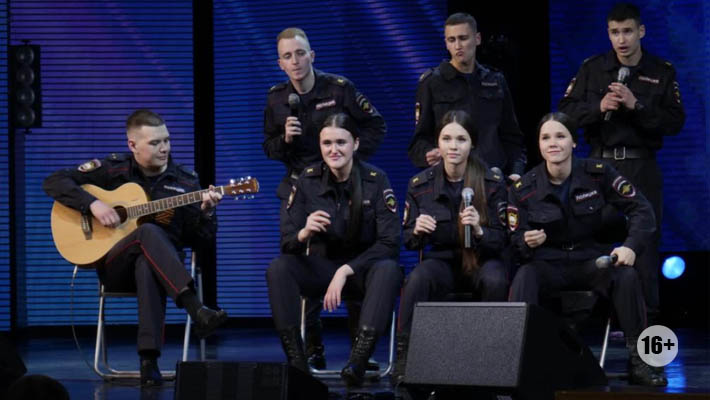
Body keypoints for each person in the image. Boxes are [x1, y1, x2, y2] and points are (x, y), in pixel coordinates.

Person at [43, 110, 228, 386]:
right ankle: (195, 307)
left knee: (147, 263)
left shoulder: (186, 181)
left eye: (167, 140)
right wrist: (92, 204)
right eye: (155, 143)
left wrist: (207, 212)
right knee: (147, 232)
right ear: (132, 145)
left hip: (165, 274)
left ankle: (148, 363)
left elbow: (201, 241)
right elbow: (54, 181)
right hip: (116, 267)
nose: (164, 148)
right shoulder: (114, 169)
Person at [507, 112, 666, 386]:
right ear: (539, 145)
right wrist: (525, 240)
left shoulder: (598, 173)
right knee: (524, 276)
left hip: (591, 261)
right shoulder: (524, 187)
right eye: (546, 138)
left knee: (625, 276)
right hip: (548, 264)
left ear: (573, 142)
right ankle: (514, 362)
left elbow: (642, 210)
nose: (553, 143)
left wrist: (630, 247)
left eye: (560, 136)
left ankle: (642, 361)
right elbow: (513, 237)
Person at [263, 27, 387, 369]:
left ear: (312, 55)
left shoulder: (339, 89)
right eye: (287, 56)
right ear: (280, 63)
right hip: (301, 188)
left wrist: (348, 163)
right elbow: (269, 147)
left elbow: (376, 126)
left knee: (355, 254)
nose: (295, 61)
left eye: (300, 53)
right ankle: (311, 349)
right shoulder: (276, 99)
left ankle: (359, 352)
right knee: (302, 259)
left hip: (345, 185)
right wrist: (285, 140)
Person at [558, 3, 685, 322]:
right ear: (608, 33)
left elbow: (674, 122)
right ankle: (592, 317)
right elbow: (566, 113)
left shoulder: (661, 70)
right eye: (615, 32)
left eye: (627, 31)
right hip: (599, 166)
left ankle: (644, 321)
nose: (621, 39)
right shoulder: (592, 68)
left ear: (641, 31)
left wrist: (636, 105)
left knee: (644, 242)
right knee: (590, 235)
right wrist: (598, 107)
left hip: (641, 166)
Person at [265, 113, 402, 387]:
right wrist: (304, 231)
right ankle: (297, 362)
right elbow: (287, 243)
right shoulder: (307, 180)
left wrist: (346, 270)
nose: (333, 150)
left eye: (341, 142)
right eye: (327, 143)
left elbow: (390, 242)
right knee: (278, 268)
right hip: (322, 269)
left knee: (390, 269)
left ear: (356, 144)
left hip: (363, 271)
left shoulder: (376, 180)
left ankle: (358, 362)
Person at [394, 110, 509, 384]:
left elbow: (504, 238)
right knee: (417, 278)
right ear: (438, 143)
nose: (453, 146)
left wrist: (480, 230)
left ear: (472, 144)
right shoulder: (420, 185)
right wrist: (417, 230)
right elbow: (408, 239)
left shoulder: (492, 183)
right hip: (442, 260)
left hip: (483, 259)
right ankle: (405, 359)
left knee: (496, 279)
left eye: (461, 139)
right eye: (446, 139)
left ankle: (491, 359)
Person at [408, 12, 525, 180]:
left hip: (491, 179)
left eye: (463, 38)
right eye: (451, 40)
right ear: (446, 43)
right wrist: (428, 153)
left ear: (477, 39)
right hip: (449, 181)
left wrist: (516, 172)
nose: (457, 46)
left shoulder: (495, 80)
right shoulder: (431, 83)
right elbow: (418, 142)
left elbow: (512, 137)